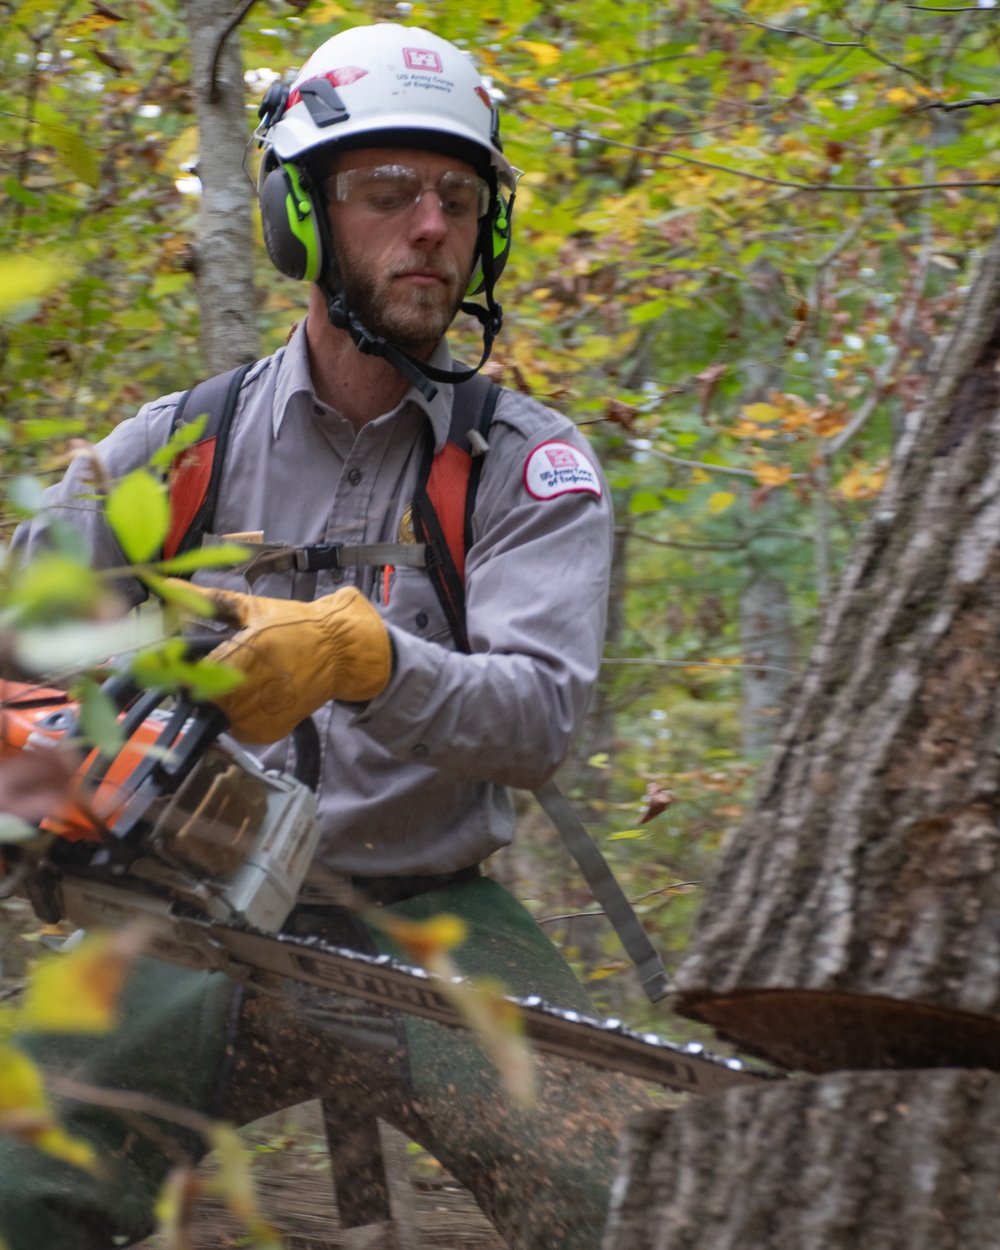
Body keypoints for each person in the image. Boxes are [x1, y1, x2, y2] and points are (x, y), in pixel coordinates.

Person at [0, 23, 649, 1250]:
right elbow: (17, 634)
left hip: (430, 911)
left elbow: (538, 716)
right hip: (189, 918)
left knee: (619, 1203)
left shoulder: (524, 463)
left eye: (458, 198)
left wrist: (370, 658)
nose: (430, 227)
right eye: (386, 191)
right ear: (301, 217)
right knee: (14, 1182)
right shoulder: (179, 442)